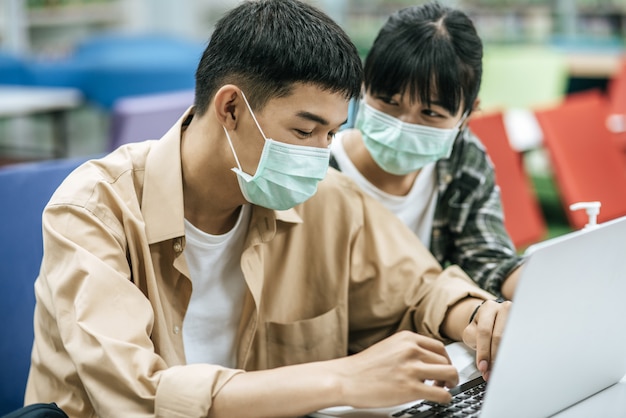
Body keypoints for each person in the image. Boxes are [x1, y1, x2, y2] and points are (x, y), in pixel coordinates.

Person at [25, 1, 510, 417]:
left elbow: (422, 291)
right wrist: (341, 378)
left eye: (332, 135)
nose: (320, 156)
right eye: (304, 131)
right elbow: (136, 393)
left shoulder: (327, 201)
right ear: (231, 109)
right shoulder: (93, 210)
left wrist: (480, 317)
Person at [330, 2, 523, 300]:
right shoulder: (322, 167)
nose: (402, 126)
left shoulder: (462, 158)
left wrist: (538, 286)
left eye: (430, 113)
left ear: (467, 114)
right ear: (364, 86)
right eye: (389, 103)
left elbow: (487, 261)